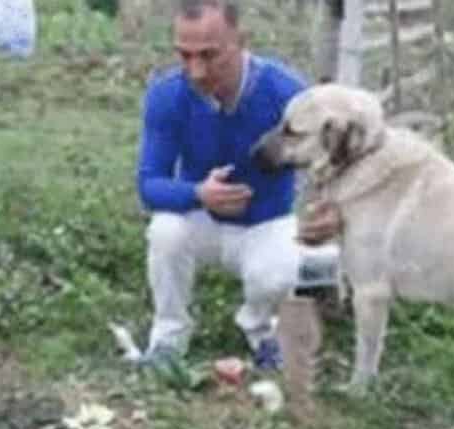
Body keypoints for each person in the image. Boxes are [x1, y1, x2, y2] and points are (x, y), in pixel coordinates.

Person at [136, 0, 339, 370]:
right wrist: (197, 193)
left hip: (266, 222)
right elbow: (149, 185)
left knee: (292, 268)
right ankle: (168, 337)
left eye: (209, 56)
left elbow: (329, 165)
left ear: (241, 40)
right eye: (185, 55)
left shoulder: (286, 93)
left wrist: (329, 209)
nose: (195, 71)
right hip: (202, 220)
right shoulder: (167, 95)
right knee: (164, 231)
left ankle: (263, 330)